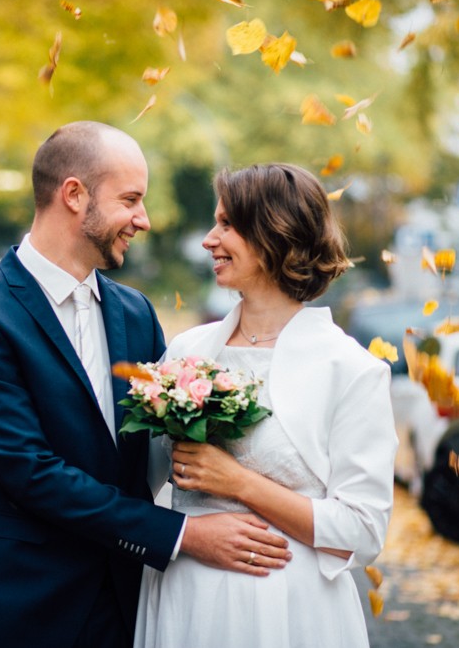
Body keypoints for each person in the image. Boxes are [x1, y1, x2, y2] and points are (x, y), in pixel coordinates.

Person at [0, 122, 290, 648]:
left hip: (123, 609)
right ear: (74, 195)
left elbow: (162, 445)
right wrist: (184, 536)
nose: (143, 219)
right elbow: (29, 471)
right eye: (131, 199)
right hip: (14, 610)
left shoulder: (135, 313)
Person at [134, 163, 398, 647]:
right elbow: (132, 476)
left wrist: (238, 482)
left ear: (276, 233)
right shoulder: (187, 352)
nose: (209, 239)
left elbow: (362, 529)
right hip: (184, 603)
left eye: (227, 224)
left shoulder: (351, 370)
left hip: (290, 613)